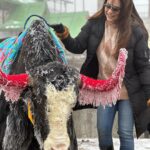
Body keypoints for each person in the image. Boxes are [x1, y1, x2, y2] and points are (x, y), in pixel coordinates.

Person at [52, 0, 150, 149]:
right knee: (103, 131)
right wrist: (63, 34)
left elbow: (143, 66)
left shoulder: (135, 31)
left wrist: (148, 93)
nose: (109, 11)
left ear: (124, 10)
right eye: (107, 6)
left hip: (128, 91)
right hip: (104, 89)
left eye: (115, 9)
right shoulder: (94, 25)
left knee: (125, 132)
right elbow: (77, 46)